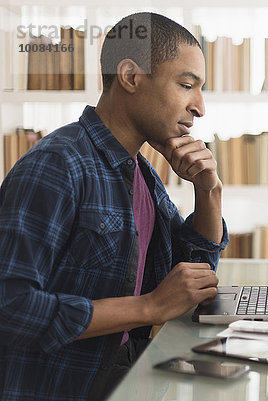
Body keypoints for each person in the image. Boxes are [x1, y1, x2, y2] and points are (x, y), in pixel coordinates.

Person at [0, 12, 228, 401]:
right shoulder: (57, 166)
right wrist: (147, 307)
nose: (200, 107)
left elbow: (192, 277)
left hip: (126, 372)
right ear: (130, 76)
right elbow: (12, 307)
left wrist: (208, 191)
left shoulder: (139, 169)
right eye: (187, 85)